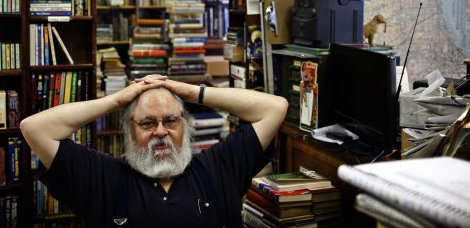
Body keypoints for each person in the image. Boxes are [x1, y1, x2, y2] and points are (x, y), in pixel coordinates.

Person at [20, 75, 288, 227]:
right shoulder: (102, 178)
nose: (160, 132)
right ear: (129, 130)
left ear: (184, 125)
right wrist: (116, 100)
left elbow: (275, 108)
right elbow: (34, 128)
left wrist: (192, 92)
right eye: (147, 123)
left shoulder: (218, 167)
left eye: (171, 121)